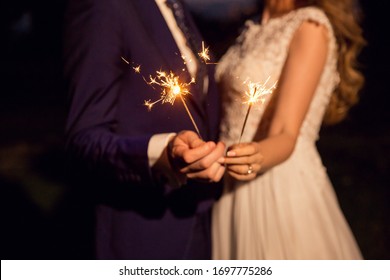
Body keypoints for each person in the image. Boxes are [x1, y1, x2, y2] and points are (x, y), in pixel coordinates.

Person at [63, 0, 226, 259]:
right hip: (142, 234)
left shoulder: (176, 8)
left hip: (200, 221)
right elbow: (85, 138)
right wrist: (162, 153)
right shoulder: (104, 7)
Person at [212, 0, 365, 259]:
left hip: (276, 183)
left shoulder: (310, 26)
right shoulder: (251, 27)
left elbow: (286, 131)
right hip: (228, 184)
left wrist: (254, 156)